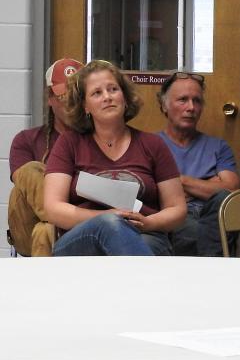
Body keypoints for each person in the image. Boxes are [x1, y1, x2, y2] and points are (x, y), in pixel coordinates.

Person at [44, 59, 187, 256]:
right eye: (97, 93)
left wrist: (148, 222)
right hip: (82, 238)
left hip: (145, 233)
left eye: (113, 89)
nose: (107, 97)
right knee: (110, 224)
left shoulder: (153, 144)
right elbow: (53, 208)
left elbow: (177, 208)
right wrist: (104, 218)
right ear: (85, 106)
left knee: (140, 244)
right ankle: (153, 284)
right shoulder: (69, 143)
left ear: (125, 98)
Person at [156, 71, 240, 256]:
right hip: (177, 218)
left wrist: (179, 182)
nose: (191, 107)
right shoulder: (150, 145)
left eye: (197, 101)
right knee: (190, 228)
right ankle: (212, 270)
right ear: (164, 105)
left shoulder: (218, 146)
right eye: (183, 100)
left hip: (214, 215)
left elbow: (230, 191)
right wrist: (210, 183)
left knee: (222, 202)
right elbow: (152, 194)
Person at [6, 58, 82, 256]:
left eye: (76, 97)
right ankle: (62, 222)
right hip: (29, 226)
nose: (70, 104)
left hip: (56, 229)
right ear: (50, 98)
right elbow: (22, 186)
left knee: (46, 231)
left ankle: (59, 226)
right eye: (63, 96)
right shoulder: (27, 140)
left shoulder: (95, 139)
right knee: (30, 170)